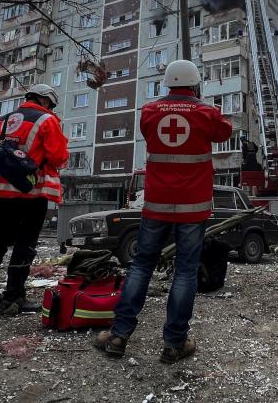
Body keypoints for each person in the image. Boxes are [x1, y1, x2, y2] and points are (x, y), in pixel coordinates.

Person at [94, 59, 232, 364]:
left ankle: (118, 335)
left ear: (167, 83)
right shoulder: (207, 114)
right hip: (192, 208)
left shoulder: (150, 111)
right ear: (195, 83)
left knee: (141, 266)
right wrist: (201, 105)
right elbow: (225, 132)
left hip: (156, 205)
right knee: (185, 271)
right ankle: (174, 343)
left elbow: (149, 130)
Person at [0, 84, 68, 315]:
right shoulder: (46, 119)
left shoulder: (4, 119)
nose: (51, 109)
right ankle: (13, 296)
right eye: (51, 105)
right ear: (45, 101)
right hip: (28, 191)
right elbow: (58, 157)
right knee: (26, 243)